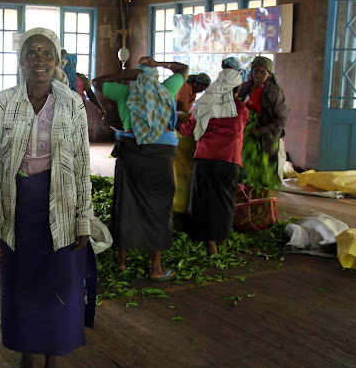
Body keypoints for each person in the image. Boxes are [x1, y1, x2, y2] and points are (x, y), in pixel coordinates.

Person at [0, 28, 95, 368]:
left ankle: (52, 366)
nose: (40, 60)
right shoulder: (2, 104)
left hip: (59, 208)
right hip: (19, 210)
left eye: (48, 54)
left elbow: (81, 163)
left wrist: (83, 219)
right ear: (21, 61)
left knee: (57, 290)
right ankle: (25, 364)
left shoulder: (72, 104)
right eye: (32, 53)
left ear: (58, 61)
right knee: (21, 291)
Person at [92, 57, 187, 280]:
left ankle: (122, 262)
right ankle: (156, 268)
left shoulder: (125, 94)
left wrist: (128, 74)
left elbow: (97, 82)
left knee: (127, 204)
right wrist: (158, 64)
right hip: (160, 156)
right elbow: (184, 69)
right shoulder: (166, 89)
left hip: (132, 154)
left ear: (136, 79)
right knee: (159, 207)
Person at [178, 58, 248, 255]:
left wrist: (173, 122)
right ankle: (223, 239)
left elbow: (186, 130)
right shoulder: (241, 110)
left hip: (206, 160)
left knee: (205, 200)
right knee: (225, 201)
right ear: (235, 89)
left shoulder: (205, 105)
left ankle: (210, 243)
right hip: (230, 161)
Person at [236, 56, 288, 163]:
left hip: (265, 140)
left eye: (263, 72)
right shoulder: (244, 88)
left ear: (269, 74)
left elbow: (281, 121)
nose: (258, 75)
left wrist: (260, 130)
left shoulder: (274, 93)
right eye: (256, 71)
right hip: (245, 137)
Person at [61, 49, 106, 117]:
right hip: (80, 108)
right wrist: (101, 108)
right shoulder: (81, 78)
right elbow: (90, 94)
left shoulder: (57, 79)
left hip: (63, 110)